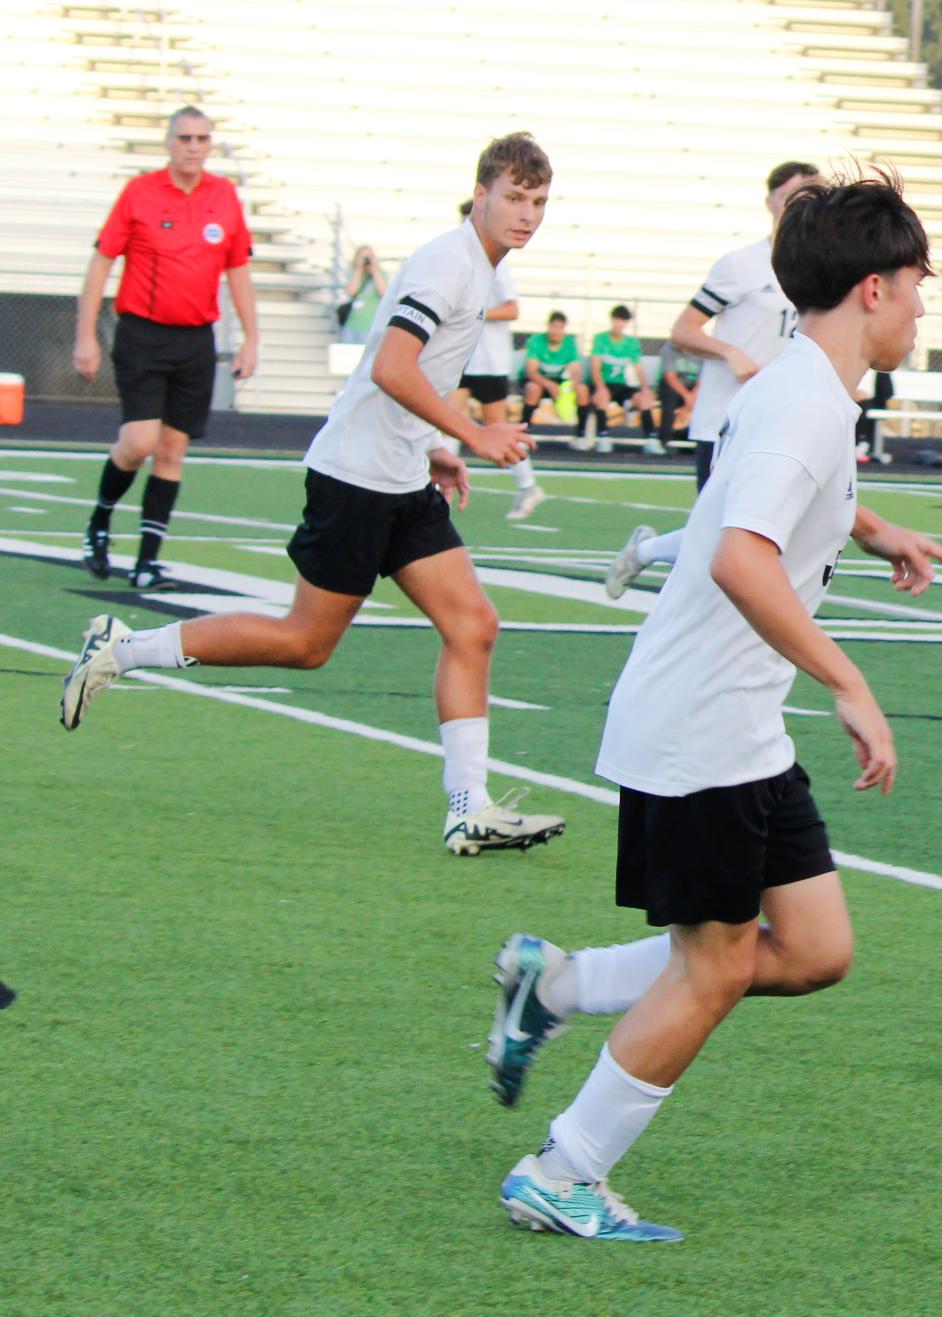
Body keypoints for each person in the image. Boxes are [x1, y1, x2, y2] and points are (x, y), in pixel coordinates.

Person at [489, 169, 942, 1242]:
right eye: (919, 286)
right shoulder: (804, 400)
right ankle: (563, 1171)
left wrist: (875, 530)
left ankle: (556, 988)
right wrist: (849, 683)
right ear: (876, 290)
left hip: (734, 726)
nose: (924, 308)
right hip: (701, 728)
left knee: (811, 949)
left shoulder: (808, 389)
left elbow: (756, 504)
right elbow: (743, 559)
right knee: (715, 966)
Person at [60, 133, 568, 859]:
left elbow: (385, 374)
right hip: (356, 478)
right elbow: (393, 366)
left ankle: (469, 806)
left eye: (538, 202)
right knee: (305, 643)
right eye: (514, 197)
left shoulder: (479, 269)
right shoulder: (447, 262)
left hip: (397, 474)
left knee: (473, 625)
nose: (526, 214)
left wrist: (433, 448)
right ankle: (124, 648)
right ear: (481, 192)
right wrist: (473, 434)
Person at [74, 105, 258, 589]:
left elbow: (237, 269)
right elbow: (100, 263)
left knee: (173, 451)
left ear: (209, 145)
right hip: (142, 334)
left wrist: (251, 338)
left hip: (196, 340)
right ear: (169, 142)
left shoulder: (225, 196)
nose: (192, 146)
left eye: (201, 138)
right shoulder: (139, 192)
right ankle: (99, 523)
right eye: (184, 138)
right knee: (138, 442)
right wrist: (85, 335)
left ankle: (146, 563)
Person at [671, 161, 821, 489]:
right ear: (770, 200)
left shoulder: (822, 269)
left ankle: (650, 546)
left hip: (787, 425)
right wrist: (729, 352)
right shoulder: (742, 264)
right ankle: (649, 546)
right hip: (727, 421)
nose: (799, 205)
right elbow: (684, 330)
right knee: (717, 533)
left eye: (809, 196)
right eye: (789, 195)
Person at [449, 199, 543, 521]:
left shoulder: (497, 264)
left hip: (490, 361)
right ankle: (439, 489)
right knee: (447, 417)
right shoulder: (463, 262)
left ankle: (528, 485)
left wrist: (475, 314)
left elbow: (512, 309)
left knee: (497, 427)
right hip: (466, 358)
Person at [579, 305, 662, 456]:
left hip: (622, 385)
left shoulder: (631, 342)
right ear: (612, 320)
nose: (619, 324)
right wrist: (600, 387)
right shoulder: (600, 339)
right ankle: (603, 437)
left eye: (623, 321)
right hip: (603, 384)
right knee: (602, 396)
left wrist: (645, 388)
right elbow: (595, 368)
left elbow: (639, 369)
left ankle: (651, 439)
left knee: (643, 399)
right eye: (617, 320)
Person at [520, 311, 582, 422]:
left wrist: (573, 382)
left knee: (583, 390)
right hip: (539, 381)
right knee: (534, 389)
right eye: (554, 327)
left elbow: (575, 369)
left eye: (560, 328)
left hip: (558, 382)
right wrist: (549, 385)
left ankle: (581, 434)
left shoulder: (570, 342)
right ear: (548, 327)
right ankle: (524, 429)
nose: (557, 331)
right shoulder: (536, 340)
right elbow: (531, 372)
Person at [338, 245, 387, 345]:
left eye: (369, 257)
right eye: (363, 258)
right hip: (352, 324)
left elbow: (384, 293)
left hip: (370, 325)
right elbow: (351, 291)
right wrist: (359, 270)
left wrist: (375, 271)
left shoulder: (380, 274)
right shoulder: (354, 274)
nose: (366, 260)